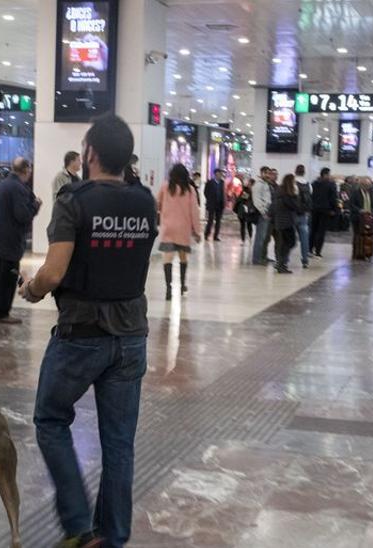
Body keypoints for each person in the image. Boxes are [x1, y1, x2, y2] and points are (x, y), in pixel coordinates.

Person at [18, 114, 158, 548]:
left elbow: (55, 271)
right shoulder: (144, 201)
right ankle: (112, 537)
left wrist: (31, 289)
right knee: (119, 443)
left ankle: (79, 526)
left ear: (91, 154)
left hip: (82, 334)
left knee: (50, 417)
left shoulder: (73, 199)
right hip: (131, 334)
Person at [0, 157, 40, 324]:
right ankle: (2, 313)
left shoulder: (4, 184)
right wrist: (36, 206)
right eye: (29, 170)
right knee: (7, 280)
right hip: (9, 243)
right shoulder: (18, 188)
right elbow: (22, 215)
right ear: (26, 170)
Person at [157, 164, 202, 299]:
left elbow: (158, 203)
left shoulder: (165, 187)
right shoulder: (190, 190)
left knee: (167, 258)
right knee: (183, 258)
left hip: (168, 227)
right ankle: (182, 285)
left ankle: (168, 289)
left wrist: (162, 212)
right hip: (183, 228)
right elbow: (194, 211)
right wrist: (197, 231)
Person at [271, 174, 306, 274]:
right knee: (290, 242)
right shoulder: (287, 194)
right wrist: (297, 196)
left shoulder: (280, 191)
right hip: (286, 222)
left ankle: (280, 263)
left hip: (281, 222)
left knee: (284, 243)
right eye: (294, 181)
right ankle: (281, 263)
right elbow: (295, 206)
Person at [250, 167, 275, 265]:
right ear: (262, 173)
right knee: (260, 237)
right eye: (266, 173)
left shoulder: (266, 184)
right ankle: (256, 259)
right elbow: (256, 201)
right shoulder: (258, 185)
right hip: (262, 214)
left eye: (269, 173)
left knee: (264, 237)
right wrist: (263, 212)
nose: (268, 175)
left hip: (267, 213)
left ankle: (262, 256)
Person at [310, 167, 338, 257]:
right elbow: (333, 199)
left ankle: (310, 249)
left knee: (313, 230)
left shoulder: (314, 184)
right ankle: (318, 251)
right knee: (321, 231)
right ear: (325, 175)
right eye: (329, 174)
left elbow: (311, 196)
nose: (329, 176)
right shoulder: (331, 185)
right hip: (325, 210)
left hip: (314, 210)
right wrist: (334, 210)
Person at [294, 165, 313, 267]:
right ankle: (305, 260)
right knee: (304, 239)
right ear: (304, 172)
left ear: (295, 172)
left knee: (289, 238)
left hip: (293, 215)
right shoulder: (308, 185)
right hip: (304, 215)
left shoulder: (293, 184)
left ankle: (285, 259)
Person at [203, 168, 226, 241]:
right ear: (215, 174)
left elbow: (223, 192)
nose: (220, 175)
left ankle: (216, 236)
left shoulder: (222, 182)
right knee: (210, 220)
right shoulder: (210, 182)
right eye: (218, 174)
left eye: (221, 174)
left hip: (220, 204)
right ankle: (206, 235)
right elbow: (205, 192)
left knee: (218, 221)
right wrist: (210, 199)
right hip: (212, 204)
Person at [234, 178, 257, 243]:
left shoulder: (254, 192)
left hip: (249, 211)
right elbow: (243, 199)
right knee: (243, 226)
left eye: (251, 184)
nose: (249, 185)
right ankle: (243, 240)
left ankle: (250, 238)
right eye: (249, 184)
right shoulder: (246, 191)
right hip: (243, 211)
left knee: (249, 225)